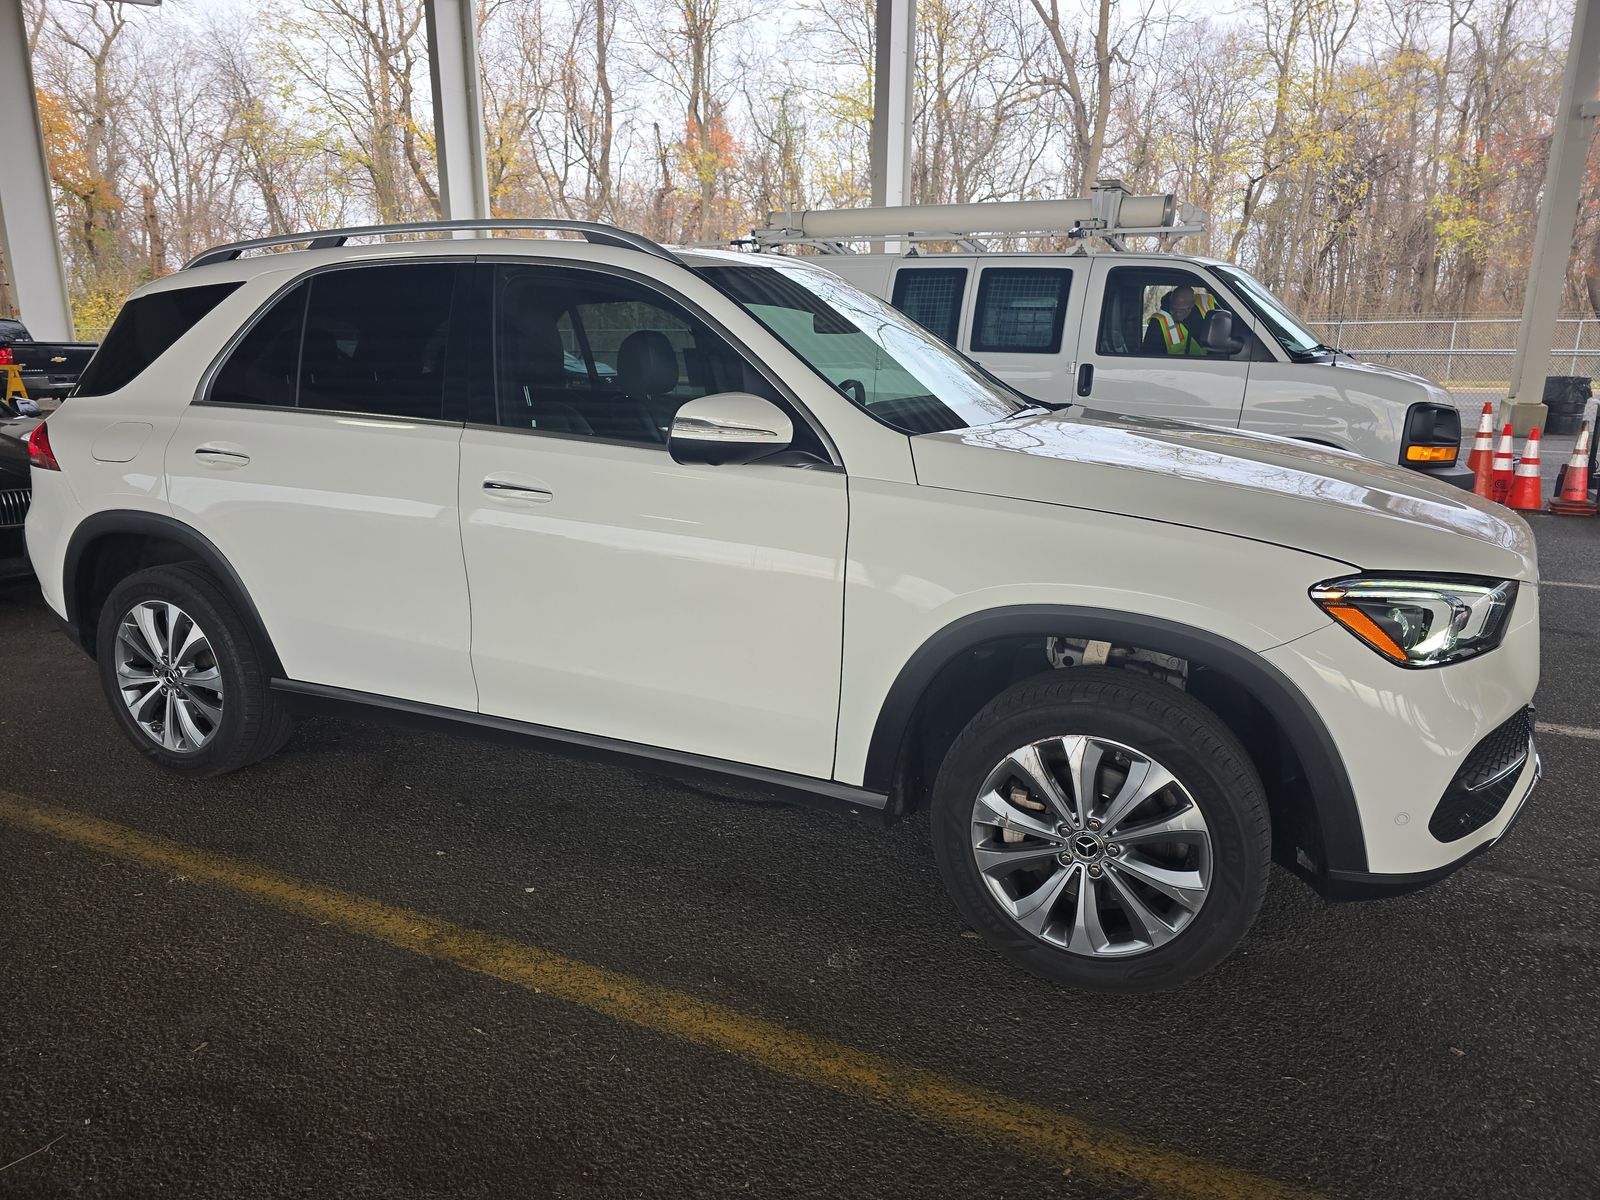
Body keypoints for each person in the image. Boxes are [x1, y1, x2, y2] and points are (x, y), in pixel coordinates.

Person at [1142, 286, 1211, 356]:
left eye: (1182, 310)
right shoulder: (1158, 321)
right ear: (1170, 303)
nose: (1177, 313)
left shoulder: (1207, 307)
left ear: (1192, 305)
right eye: (1173, 309)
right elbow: (1150, 357)